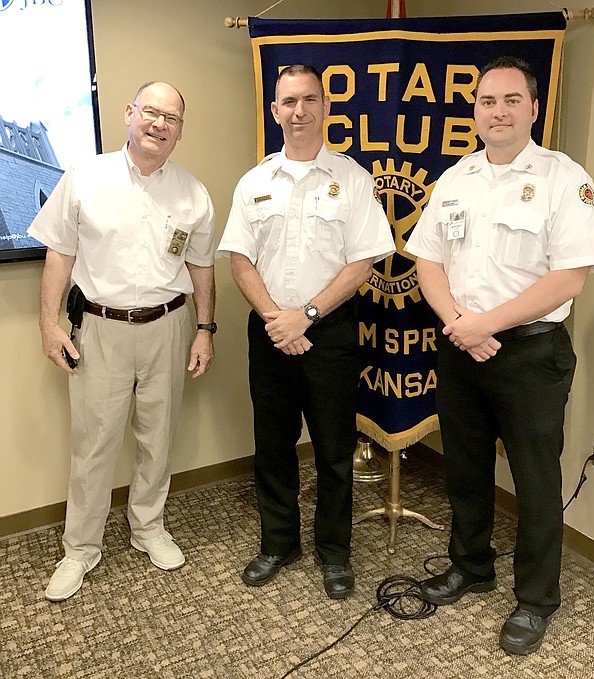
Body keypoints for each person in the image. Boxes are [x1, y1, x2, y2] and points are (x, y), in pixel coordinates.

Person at [405, 56, 594, 654]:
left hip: (530, 356)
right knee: (464, 468)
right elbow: (427, 261)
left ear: (533, 108)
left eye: (511, 100)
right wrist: (458, 323)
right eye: (488, 102)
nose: (498, 111)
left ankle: (537, 599)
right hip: (462, 347)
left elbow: (569, 278)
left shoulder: (565, 179)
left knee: (536, 481)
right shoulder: (456, 178)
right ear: (475, 112)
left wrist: (481, 324)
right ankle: (471, 566)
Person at [28, 81, 217, 602]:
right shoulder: (84, 178)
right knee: (94, 444)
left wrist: (205, 328)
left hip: (169, 327)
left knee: (159, 437)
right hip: (100, 328)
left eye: (171, 118)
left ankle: (148, 528)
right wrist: (48, 324)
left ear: (180, 130)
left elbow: (201, 267)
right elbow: (59, 256)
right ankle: (80, 550)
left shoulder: (193, 192)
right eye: (150, 112)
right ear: (130, 113)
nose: (159, 124)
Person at [217, 65, 394, 599]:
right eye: (288, 102)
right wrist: (279, 319)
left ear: (324, 107)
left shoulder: (353, 180)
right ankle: (278, 544)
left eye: (309, 100)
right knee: (272, 444)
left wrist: (308, 315)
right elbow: (240, 260)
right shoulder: (254, 182)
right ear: (275, 111)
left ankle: (334, 553)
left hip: (332, 334)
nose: (299, 111)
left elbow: (364, 262)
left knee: (335, 449)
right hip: (270, 331)